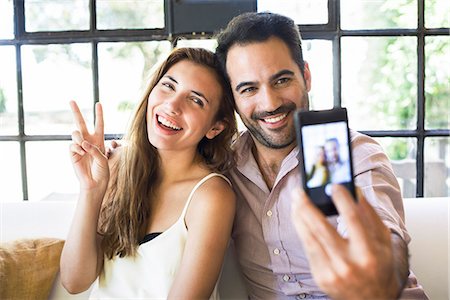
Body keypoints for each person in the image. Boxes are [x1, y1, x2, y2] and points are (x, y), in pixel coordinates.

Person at [215, 12, 427, 299]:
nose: (270, 103)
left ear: (306, 76)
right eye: (249, 88)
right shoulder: (223, 167)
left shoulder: (356, 155)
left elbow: (384, 236)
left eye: (281, 80)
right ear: (233, 98)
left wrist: (378, 275)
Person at [60, 47, 238, 299]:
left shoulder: (211, 195)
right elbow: (74, 282)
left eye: (196, 100)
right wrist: (91, 189)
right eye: (168, 86)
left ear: (216, 127)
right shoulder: (117, 163)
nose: (172, 105)